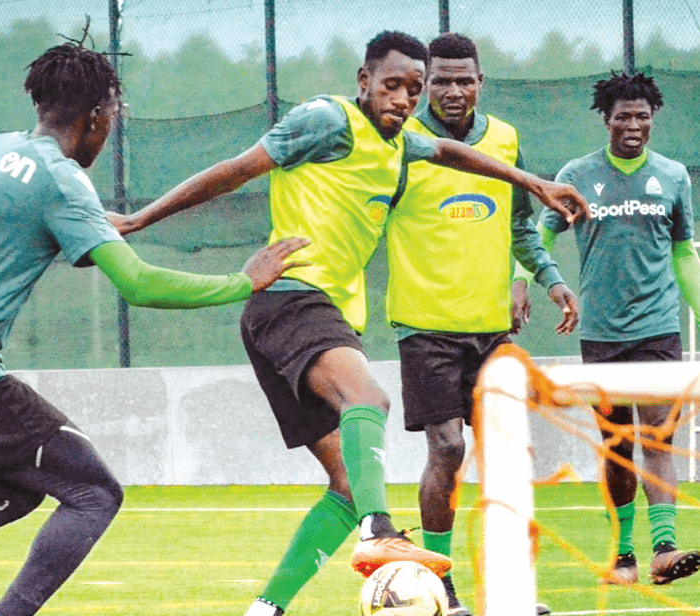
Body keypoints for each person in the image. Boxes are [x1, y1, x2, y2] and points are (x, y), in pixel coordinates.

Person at [108, 30, 588, 616]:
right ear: (363, 81)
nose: (404, 99)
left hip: (317, 316)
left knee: (343, 484)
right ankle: (377, 530)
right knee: (370, 399)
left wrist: (531, 183)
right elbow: (235, 171)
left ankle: (266, 608)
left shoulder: (400, 144)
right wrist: (139, 220)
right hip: (290, 299)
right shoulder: (325, 120)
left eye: (414, 89)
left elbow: (454, 153)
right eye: (392, 85)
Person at [0, 41, 309, 616]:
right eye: (112, 120)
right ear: (98, 116)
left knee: (16, 489)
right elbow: (140, 286)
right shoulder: (63, 180)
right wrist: (242, 282)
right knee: (94, 493)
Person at [386, 33, 573, 616]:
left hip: (493, 331)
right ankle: (440, 587)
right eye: (439, 80)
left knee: (507, 459)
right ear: (423, 85)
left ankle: (511, 591)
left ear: (480, 82)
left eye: (464, 79)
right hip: (425, 327)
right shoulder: (400, 146)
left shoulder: (506, 140)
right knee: (446, 448)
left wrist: (547, 277)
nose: (452, 90)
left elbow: (521, 227)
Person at [529, 70, 700, 586]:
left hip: (659, 330)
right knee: (618, 447)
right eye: (622, 115)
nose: (632, 124)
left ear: (653, 121)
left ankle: (664, 549)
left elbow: (683, 253)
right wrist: (542, 281)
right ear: (605, 119)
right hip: (602, 335)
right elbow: (539, 233)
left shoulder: (673, 177)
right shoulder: (577, 174)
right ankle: (622, 555)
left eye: (641, 116)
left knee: (659, 438)